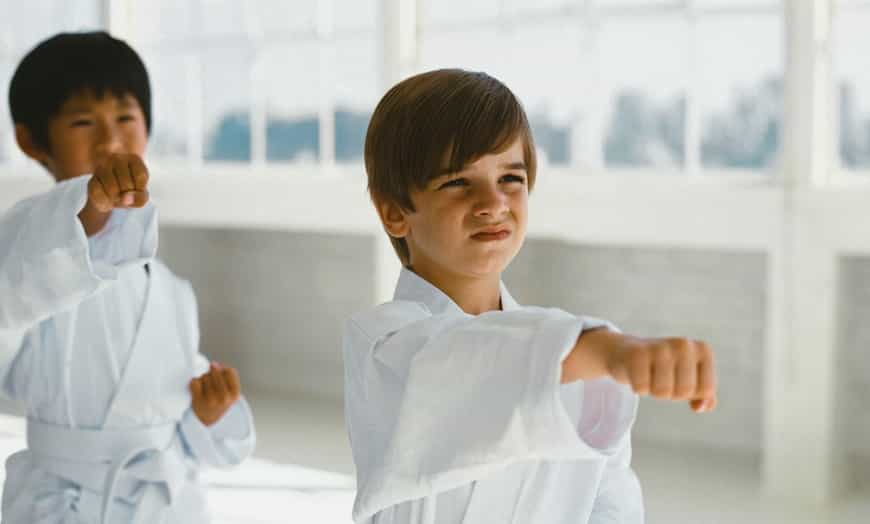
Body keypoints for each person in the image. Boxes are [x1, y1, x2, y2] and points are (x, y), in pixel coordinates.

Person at [343, 68, 718, 523]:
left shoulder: (577, 358)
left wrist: (602, 356)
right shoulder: (383, 344)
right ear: (395, 212)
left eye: (511, 179)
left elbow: (610, 500)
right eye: (457, 182)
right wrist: (608, 351)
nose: (493, 203)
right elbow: (462, 365)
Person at [0, 31, 255, 523]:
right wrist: (87, 210)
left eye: (125, 117)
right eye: (82, 121)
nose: (109, 139)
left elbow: (171, 416)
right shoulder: (30, 252)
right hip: (63, 504)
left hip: (164, 504)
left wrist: (206, 417)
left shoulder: (172, 293)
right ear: (32, 140)